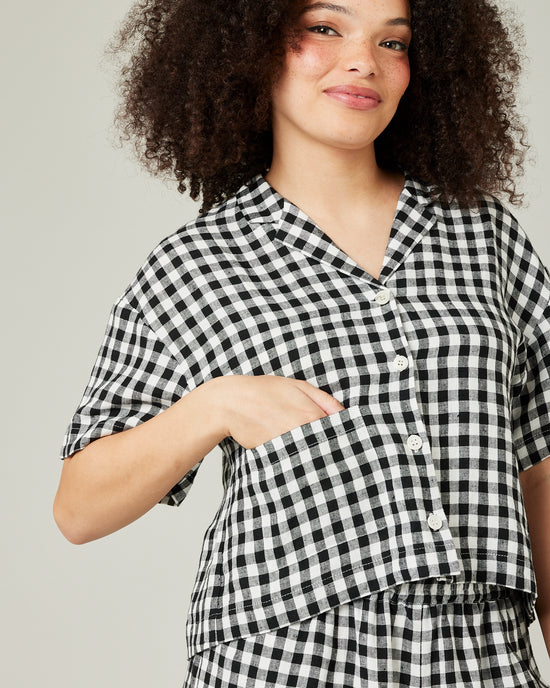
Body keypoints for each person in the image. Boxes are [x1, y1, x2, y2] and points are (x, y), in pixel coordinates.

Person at [53, 0, 550, 685]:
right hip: (288, 660)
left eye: (394, 42)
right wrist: (214, 407)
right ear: (253, 44)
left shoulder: (485, 237)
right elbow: (78, 507)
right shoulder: (200, 265)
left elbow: (541, 475)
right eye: (325, 28)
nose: (362, 61)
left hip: (481, 657)